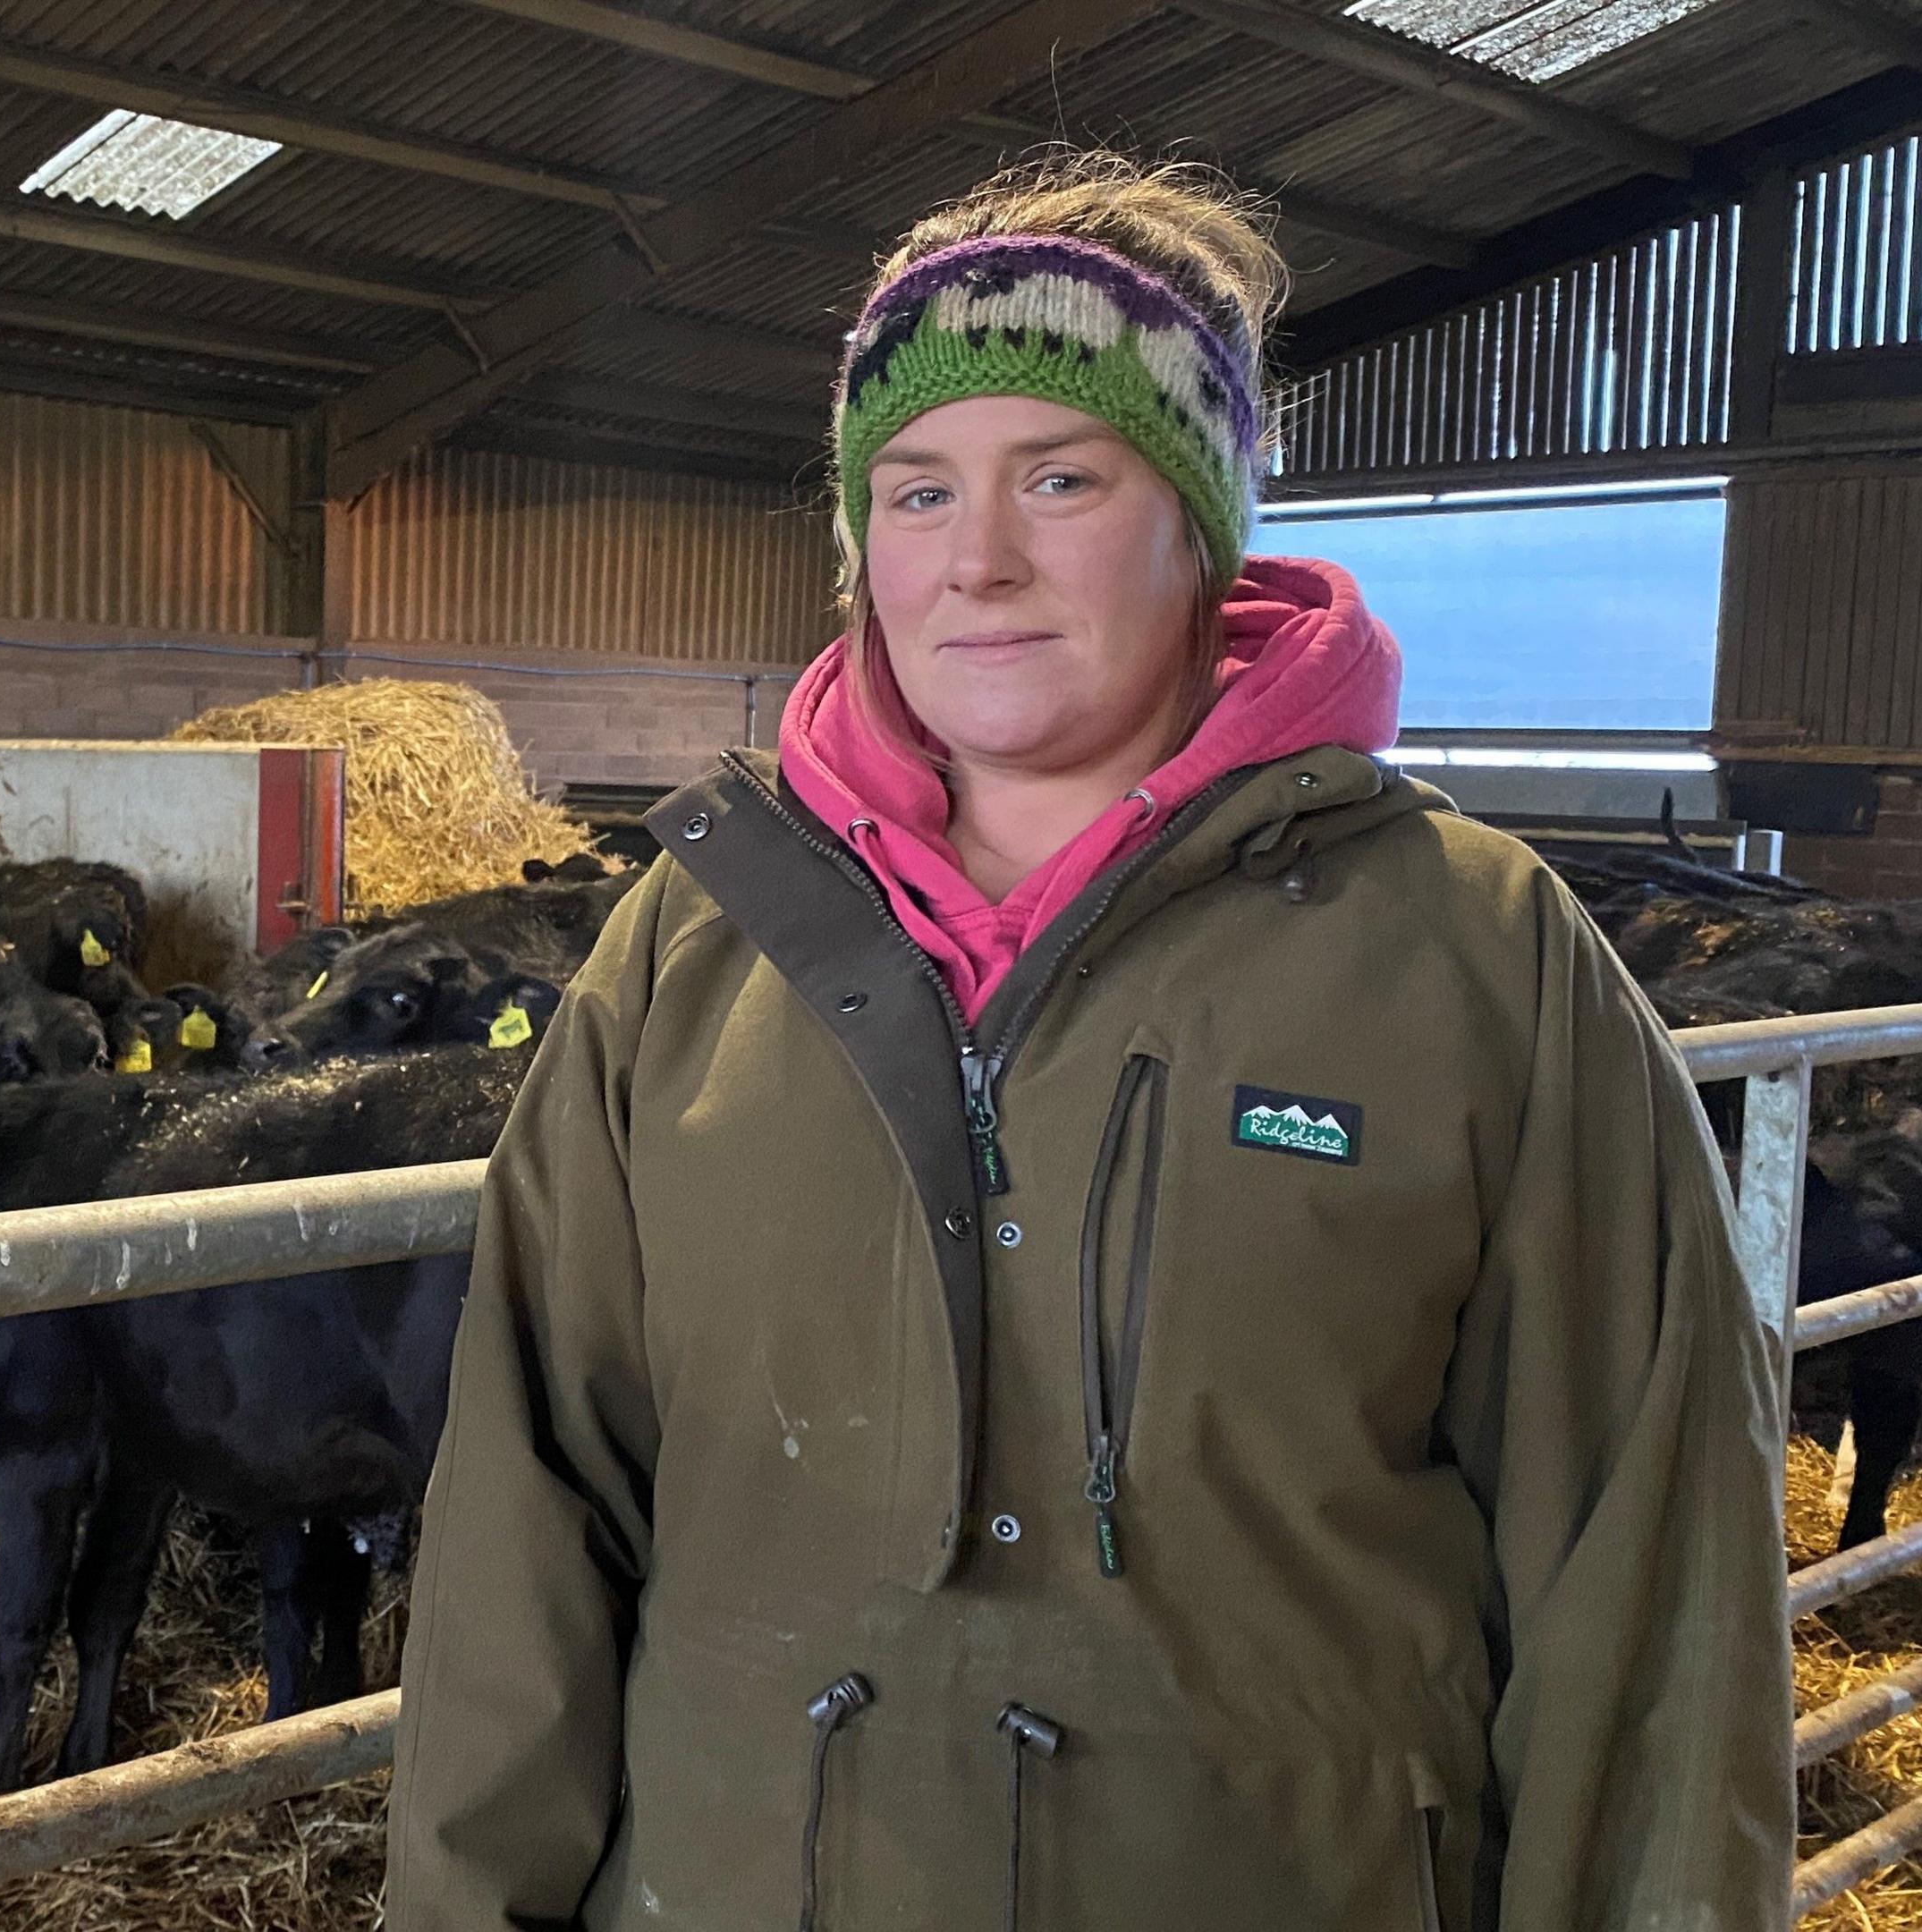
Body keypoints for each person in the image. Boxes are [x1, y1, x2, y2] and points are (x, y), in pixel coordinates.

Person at [382, 153, 1791, 1931]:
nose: (975, 561)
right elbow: (529, 1520)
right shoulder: (696, 947)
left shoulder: (1469, 954)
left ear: (1199, 520)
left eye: (1061, 476)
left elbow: (1646, 1588)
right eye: (914, 492)